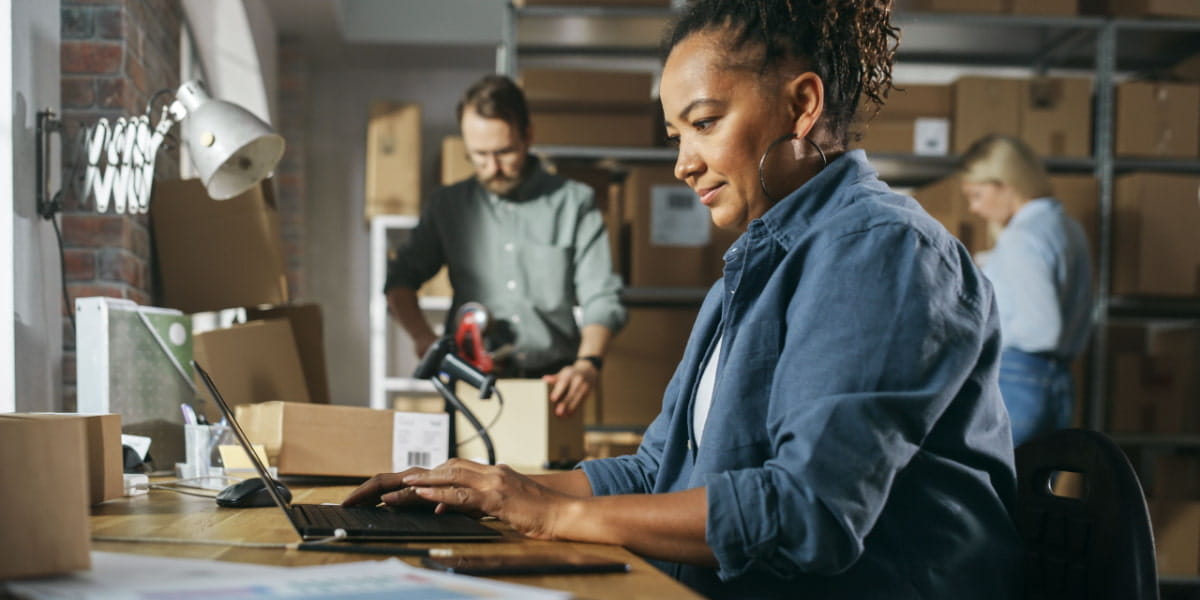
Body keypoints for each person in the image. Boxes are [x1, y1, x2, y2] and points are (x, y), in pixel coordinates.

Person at [348, 1, 1023, 597]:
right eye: (677, 137)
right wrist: (490, 489)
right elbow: (656, 470)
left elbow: (805, 511)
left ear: (802, 104)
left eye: (703, 123)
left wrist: (550, 513)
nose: (682, 163)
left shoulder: (882, 251)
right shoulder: (760, 258)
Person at [384, 75, 626, 417]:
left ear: (528, 135)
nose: (493, 168)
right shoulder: (448, 206)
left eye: (504, 152)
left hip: (551, 389)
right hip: (469, 385)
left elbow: (601, 296)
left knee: (543, 473)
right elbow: (399, 281)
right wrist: (424, 339)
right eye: (479, 156)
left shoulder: (575, 203)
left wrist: (588, 363)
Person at [960, 134, 1093, 446]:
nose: (974, 208)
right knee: (1036, 488)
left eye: (977, 195)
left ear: (1006, 184)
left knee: (993, 488)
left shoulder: (1022, 239)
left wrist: (977, 334)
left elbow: (1042, 330)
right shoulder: (1068, 228)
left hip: (1018, 378)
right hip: (1057, 381)